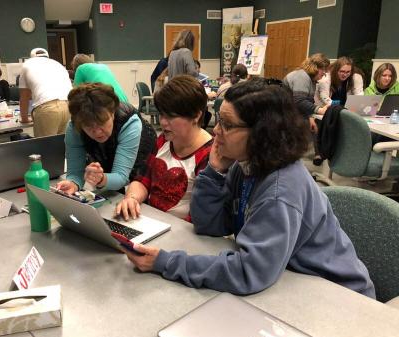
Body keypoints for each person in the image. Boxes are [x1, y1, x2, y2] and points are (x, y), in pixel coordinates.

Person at [122, 78, 375, 299]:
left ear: (262, 133)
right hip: (289, 280)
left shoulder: (280, 189)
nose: (216, 131)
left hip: (336, 295)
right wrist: (214, 173)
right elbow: (210, 225)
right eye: (219, 121)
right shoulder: (245, 165)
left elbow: (249, 272)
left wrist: (165, 262)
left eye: (228, 125)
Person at [115, 75, 213, 222]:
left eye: (171, 117)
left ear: (196, 116)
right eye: (161, 115)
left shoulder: (209, 155)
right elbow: (142, 180)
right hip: (151, 221)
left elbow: (201, 217)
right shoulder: (164, 140)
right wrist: (132, 199)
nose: (163, 122)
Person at [56, 83, 156, 193]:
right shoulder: (74, 127)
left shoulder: (130, 123)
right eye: (88, 126)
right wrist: (73, 183)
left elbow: (121, 177)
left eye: (102, 122)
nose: (97, 132)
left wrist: (101, 179)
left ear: (113, 112)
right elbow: (75, 173)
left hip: (142, 148)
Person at [283, 53, 330, 166]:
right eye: (323, 70)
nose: (324, 73)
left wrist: (310, 117)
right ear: (315, 68)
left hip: (291, 114)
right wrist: (320, 110)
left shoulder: (309, 79)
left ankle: (316, 155)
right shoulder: (302, 76)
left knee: (315, 126)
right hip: (286, 116)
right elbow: (299, 101)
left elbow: (306, 101)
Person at [18, 48, 72, 137]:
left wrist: (24, 119)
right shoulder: (57, 64)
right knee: (63, 146)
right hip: (69, 106)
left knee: (44, 148)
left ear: (31, 57)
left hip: (48, 108)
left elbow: (24, 97)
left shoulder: (27, 65)